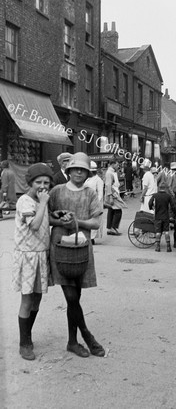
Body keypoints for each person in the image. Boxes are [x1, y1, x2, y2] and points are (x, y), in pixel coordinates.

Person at [49, 152, 105, 358]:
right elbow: (46, 216)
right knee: (71, 296)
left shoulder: (90, 193)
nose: (78, 172)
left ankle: (72, 341)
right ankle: (87, 336)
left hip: (81, 250)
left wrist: (76, 222)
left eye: (82, 169)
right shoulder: (56, 191)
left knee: (76, 298)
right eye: (75, 169)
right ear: (68, 171)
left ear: (87, 173)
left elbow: (96, 223)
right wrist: (58, 221)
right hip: (60, 249)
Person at [12, 163, 53, 360]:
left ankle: (28, 335)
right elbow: (35, 225)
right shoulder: (25, 201)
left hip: (41, 254)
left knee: (37, 299)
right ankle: (24, 344)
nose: (42, 186)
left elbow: (45, 219)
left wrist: (59, 218)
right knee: (27, 299)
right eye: (38, 182)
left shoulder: (40, 200)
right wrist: (44, 203)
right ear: (30, 182)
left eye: (46, 182)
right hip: (28, 256)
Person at [148, 182, 176, 252]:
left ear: (159, 188)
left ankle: (158, 247)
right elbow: (173, 206)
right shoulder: (168, 196)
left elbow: (150, 203)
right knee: (166, 231)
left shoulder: (155, 195)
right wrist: (175, 213)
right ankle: (168, 247)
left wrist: (151, 208)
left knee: (158, 232)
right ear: (165, 188)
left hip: (157, 216)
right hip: (166, 216)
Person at [84, 161, 104, 245]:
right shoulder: (87, 179)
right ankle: (87, 236)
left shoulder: (98, 180)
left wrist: (96, 203)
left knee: (94, 220)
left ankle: (92, 238)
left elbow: (100, 193)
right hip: (86, 202)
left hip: (95, 203)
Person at [104, 160, 123, 235]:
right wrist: (110, 196)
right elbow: (108, 185)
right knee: (118, 211)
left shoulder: (112, 172)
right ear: (113, 164)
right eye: (117, 164)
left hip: (113, 193)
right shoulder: (109, 173)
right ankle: (113, 227)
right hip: (113, 194)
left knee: (111, 211)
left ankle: (110, 228)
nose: (118, 166)